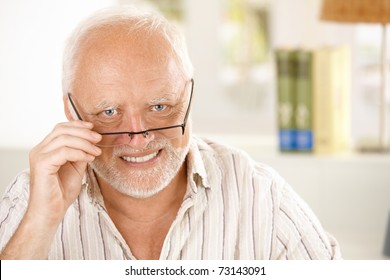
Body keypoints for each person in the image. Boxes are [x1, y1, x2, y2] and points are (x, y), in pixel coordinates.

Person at [0, 5, 341, 260]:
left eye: (159, 107)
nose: (138, 135)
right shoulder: (32, 198)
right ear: (71, 112)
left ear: (189, 95)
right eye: (109, 112)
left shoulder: (260, 195)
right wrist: (40, 222)